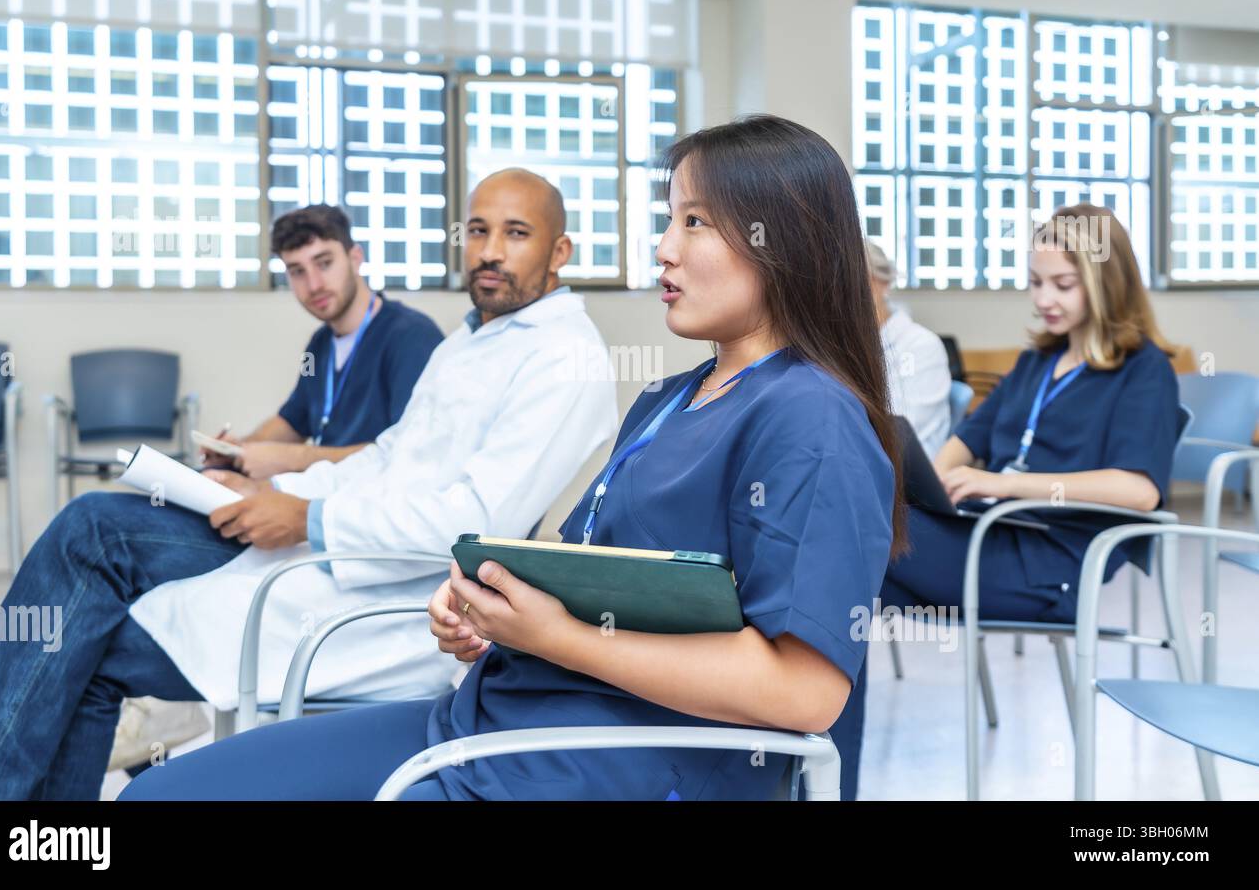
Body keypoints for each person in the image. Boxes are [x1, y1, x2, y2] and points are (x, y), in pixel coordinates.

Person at [120, 114, 903, 802]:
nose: (662, 249)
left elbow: (807, 693)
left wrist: (557, 637)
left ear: (783, 240)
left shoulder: (811, 419)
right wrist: (492, 613)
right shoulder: (670, 397)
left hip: (610, 759)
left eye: (694, 222)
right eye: (670, 220)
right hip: (502, 711)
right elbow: (599, 577)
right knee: (160, 793)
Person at [0, 169, 617, 800]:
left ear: (560, 250)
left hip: (392, 591)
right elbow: (386, 456)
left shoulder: (563, 357)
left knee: (93, 603)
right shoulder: (467, 342)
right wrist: (277, 493)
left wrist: (306, 517)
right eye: (477, 231)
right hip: (323, 535)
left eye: (516, 233)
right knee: (91, 543)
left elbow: (474, 524)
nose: (490, 251)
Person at [881, 204, 1179, 624]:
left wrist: (1004, 485)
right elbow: (970, 437)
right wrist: (935, 485)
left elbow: (1139, 490)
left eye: (1063, 285)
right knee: (850, 579)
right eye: (1036, 282)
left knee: (859, 540)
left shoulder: (1145, 370)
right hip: (992, 531)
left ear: (1107, 284)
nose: (1043, 299)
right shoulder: (1038, 360)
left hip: (1055, 561)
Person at [199, 204, 443, 480]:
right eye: (297, 271)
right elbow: (292, 421)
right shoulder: (319, 344)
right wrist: (239, 450)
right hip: (322, 495)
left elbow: (409, 452)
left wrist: (294, 459)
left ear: (355, 258)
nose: (313, 285)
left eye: (324, 263)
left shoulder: (412, 338)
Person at [866, 240, 952, 459]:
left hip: (905, 480)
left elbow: (897, 440)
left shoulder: (920, 347)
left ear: (883, 283)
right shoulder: (840, 346)